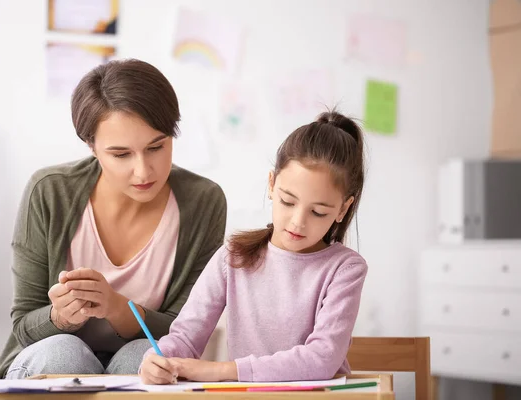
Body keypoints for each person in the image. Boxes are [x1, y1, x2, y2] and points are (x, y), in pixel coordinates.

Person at [0, 59, 227, 379]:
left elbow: (188, 328)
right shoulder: (49, 191)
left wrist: (117, 308)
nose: (143, 171)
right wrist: (61, 317)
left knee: (144, 357)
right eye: (121, 154)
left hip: (140, 363)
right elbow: (23, 325)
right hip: (49, 359)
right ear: (91, 146)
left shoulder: (203, 202)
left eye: (156, 147)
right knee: (64, 353)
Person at [139, 110, 367, 384]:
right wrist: (159, 359)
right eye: (287, 201)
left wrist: (221, 371)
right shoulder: (232, 257)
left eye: (318, 212)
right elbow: (186, 336)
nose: (298, 222)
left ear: (343, 209)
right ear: (271, 185)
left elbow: (322, 358)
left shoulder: (345, 269)